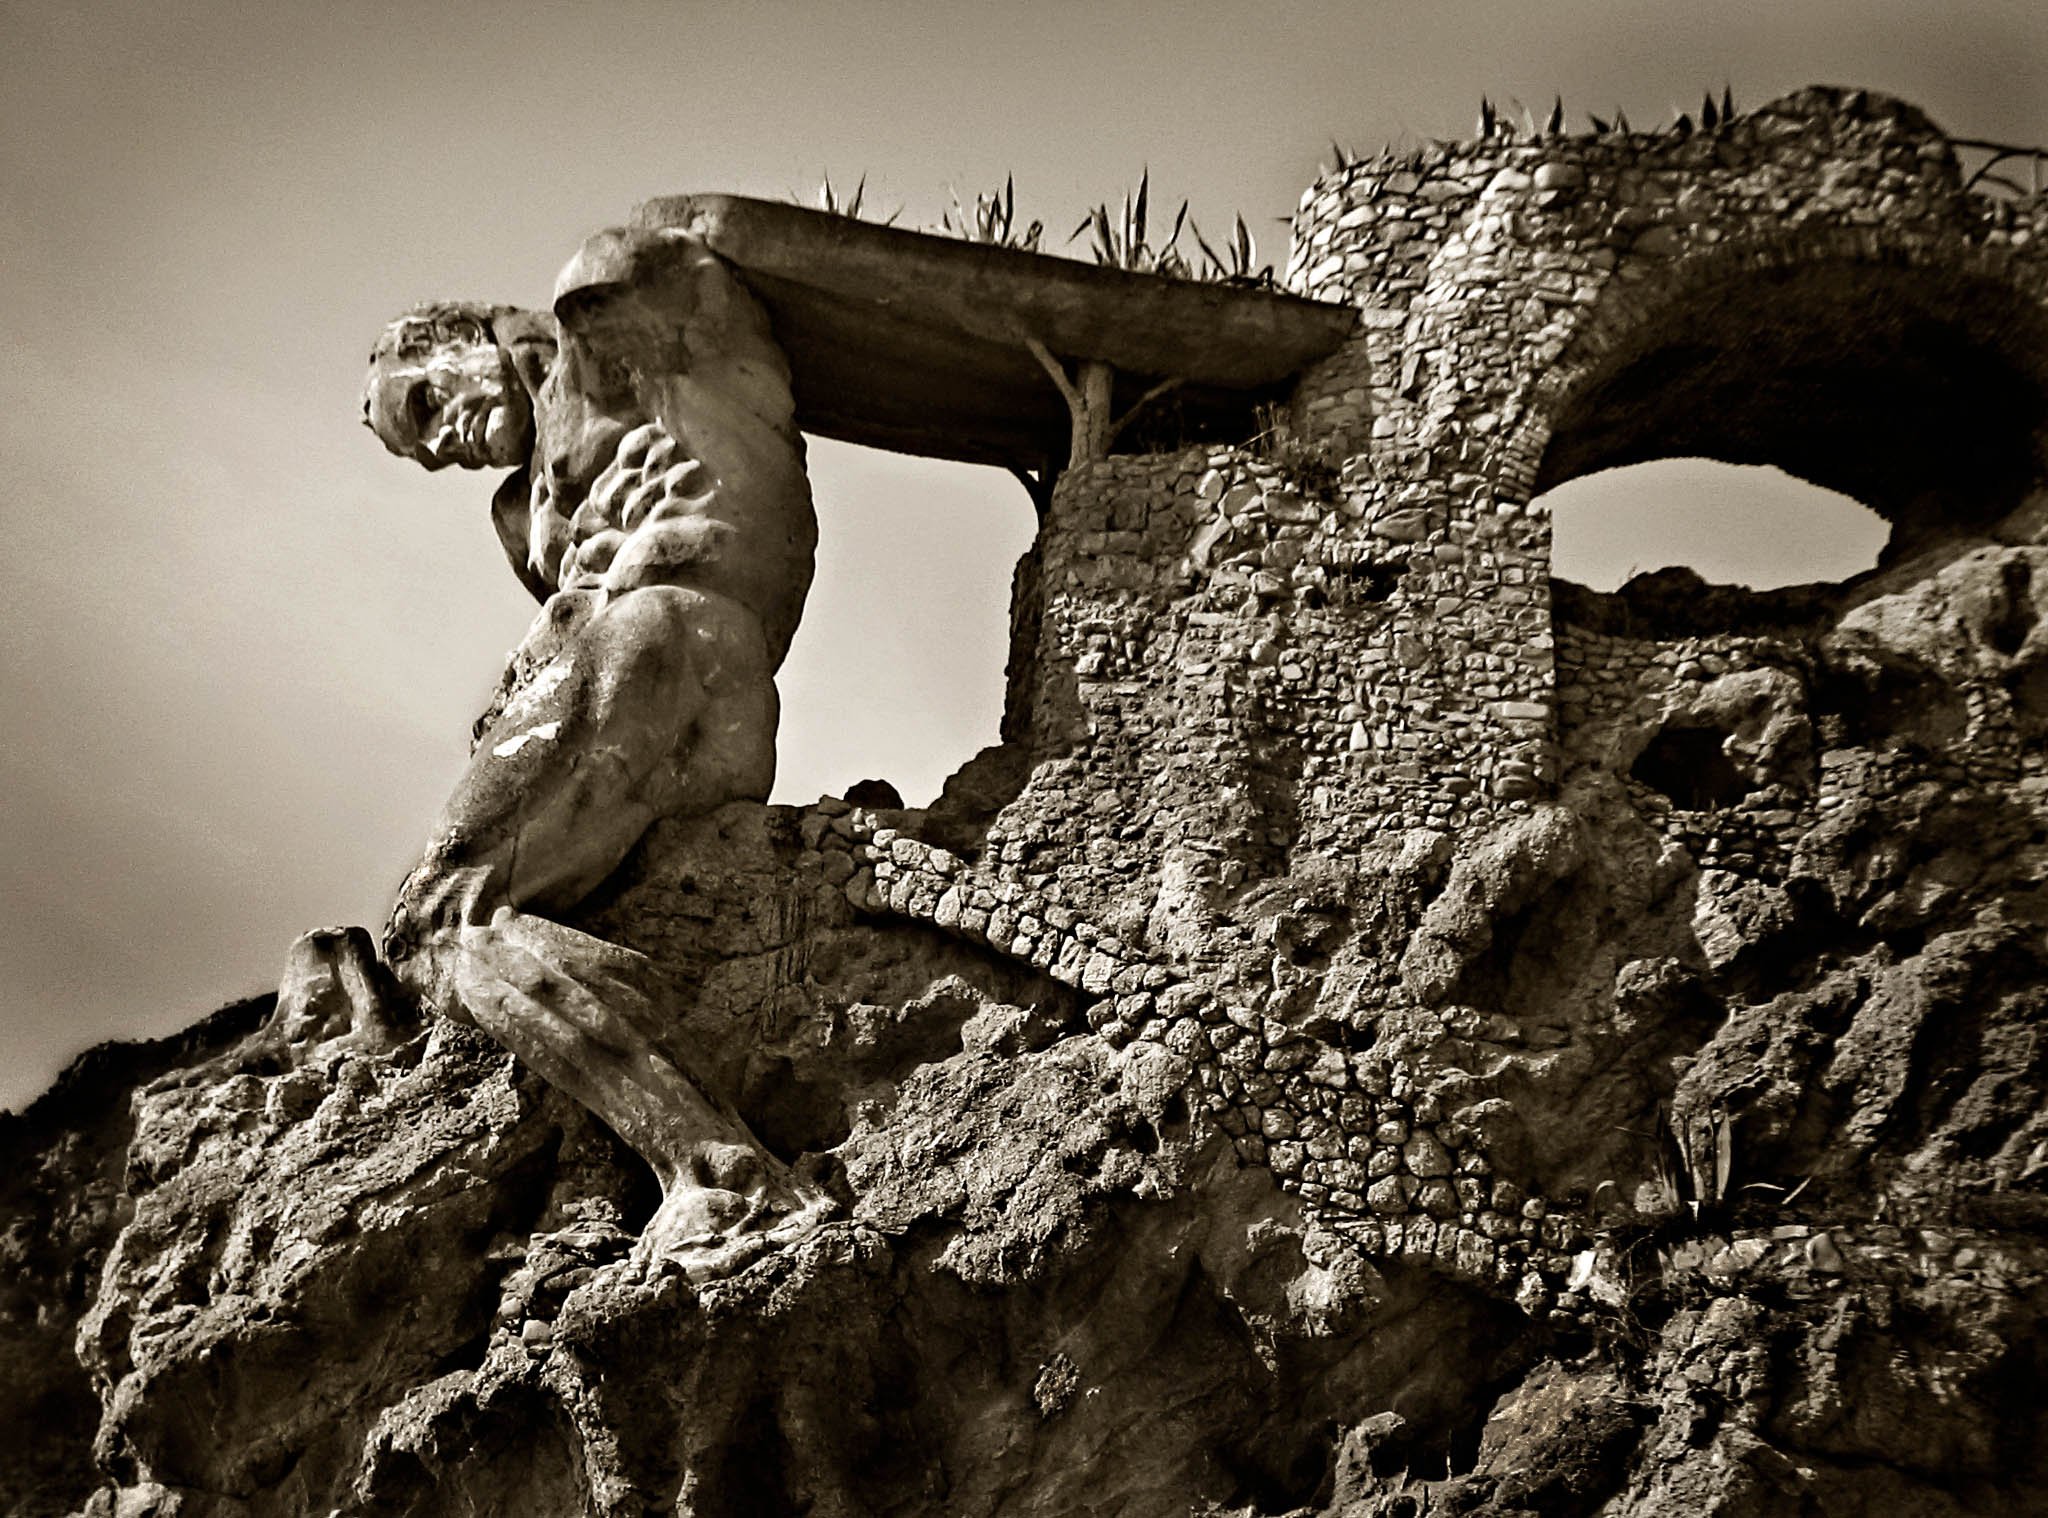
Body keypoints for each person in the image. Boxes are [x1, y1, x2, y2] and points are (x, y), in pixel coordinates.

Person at [361, 221, 828, 1274]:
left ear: (471, 336)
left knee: (442, 917)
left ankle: (719, 1172)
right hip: (682, 697)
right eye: (417, 449)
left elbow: (684, 258)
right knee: (458, 933)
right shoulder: (520, 514)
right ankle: (657, 1052)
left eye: (425, 403)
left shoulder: (606, 332)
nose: (438, 444)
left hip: (671, 635)